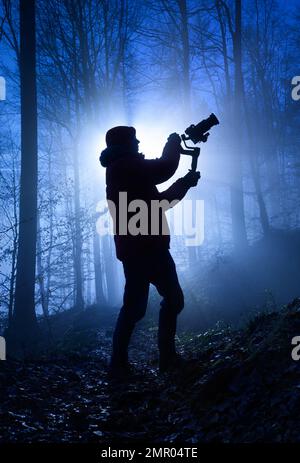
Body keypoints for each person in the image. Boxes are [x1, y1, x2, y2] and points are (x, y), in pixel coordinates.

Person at [99, 126, 200, 377]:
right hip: (147, 248)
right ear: (125, 144)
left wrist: (184, 184)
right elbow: (165, 168)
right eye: (134, 139)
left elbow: (157, 206)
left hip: (139, 248)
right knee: (170, 301)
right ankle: (162, 360)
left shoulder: (122, 170)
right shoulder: (125, 166)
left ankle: (121, 365)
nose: (139, 141)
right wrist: (173, 142)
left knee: (136, 308)